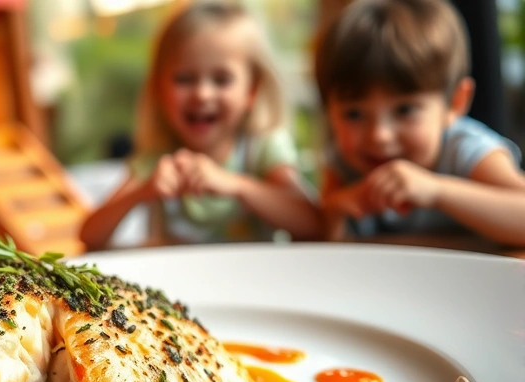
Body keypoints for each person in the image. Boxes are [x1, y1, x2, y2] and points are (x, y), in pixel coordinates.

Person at [79, 0, 320, 251]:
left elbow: (312, 223)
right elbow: (90, 236)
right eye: (184, 78)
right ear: (159, 90)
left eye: (221, 79)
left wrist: (236, 186)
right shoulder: (158, 161)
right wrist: (141, 191)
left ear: (252, 90)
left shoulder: (262, 149)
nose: (202, 94)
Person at [316, 0, 525, 245]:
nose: (379, 135)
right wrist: (336, 211)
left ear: (455, 103)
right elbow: (331, 247)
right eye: (353, 114)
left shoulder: (465, 150)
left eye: (404, 110)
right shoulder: (346, 161)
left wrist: (436, 191)